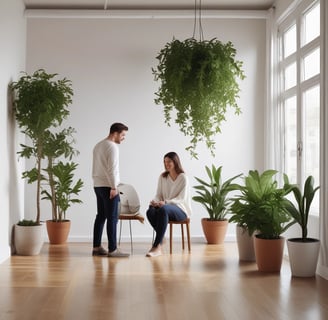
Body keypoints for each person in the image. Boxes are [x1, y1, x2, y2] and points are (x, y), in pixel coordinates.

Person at [92, 122, 130, 257]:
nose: (124, 138)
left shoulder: (98, 145)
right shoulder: (112, 147)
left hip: (97, 185)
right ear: (115, 133)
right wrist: (114, 187)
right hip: (109, 187)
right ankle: (113, 249)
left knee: (101, 216)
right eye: (123, 134)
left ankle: (96, 247)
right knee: (112, 218)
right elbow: (112, 169)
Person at [146, 152, 192, 257]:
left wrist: (166, 202)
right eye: (165, 162)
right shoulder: (163, 177)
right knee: (150, 210)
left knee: (163, 209)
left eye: (169, 162)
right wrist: (155, 201)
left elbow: (181, 198)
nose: (167, 164)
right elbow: (158, 194)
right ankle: (161, 237)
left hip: (181, 210)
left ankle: (157, 246)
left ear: (175, 162)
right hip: (165, 207)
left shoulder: (183, 178)